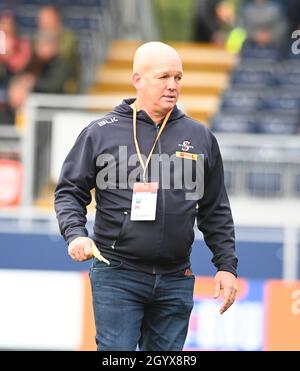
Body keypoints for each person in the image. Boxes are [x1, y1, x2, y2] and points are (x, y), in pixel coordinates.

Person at [54, 41, 238, 351]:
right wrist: (75, 235)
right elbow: (70, 192)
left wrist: (227, 266)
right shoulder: (100, 132)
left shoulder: (200, 137)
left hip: (176, 277)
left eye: (178, 78)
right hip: (117, 274)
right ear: (137, 79)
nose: (172, 85)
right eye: (163, 77)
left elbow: (215, 209)